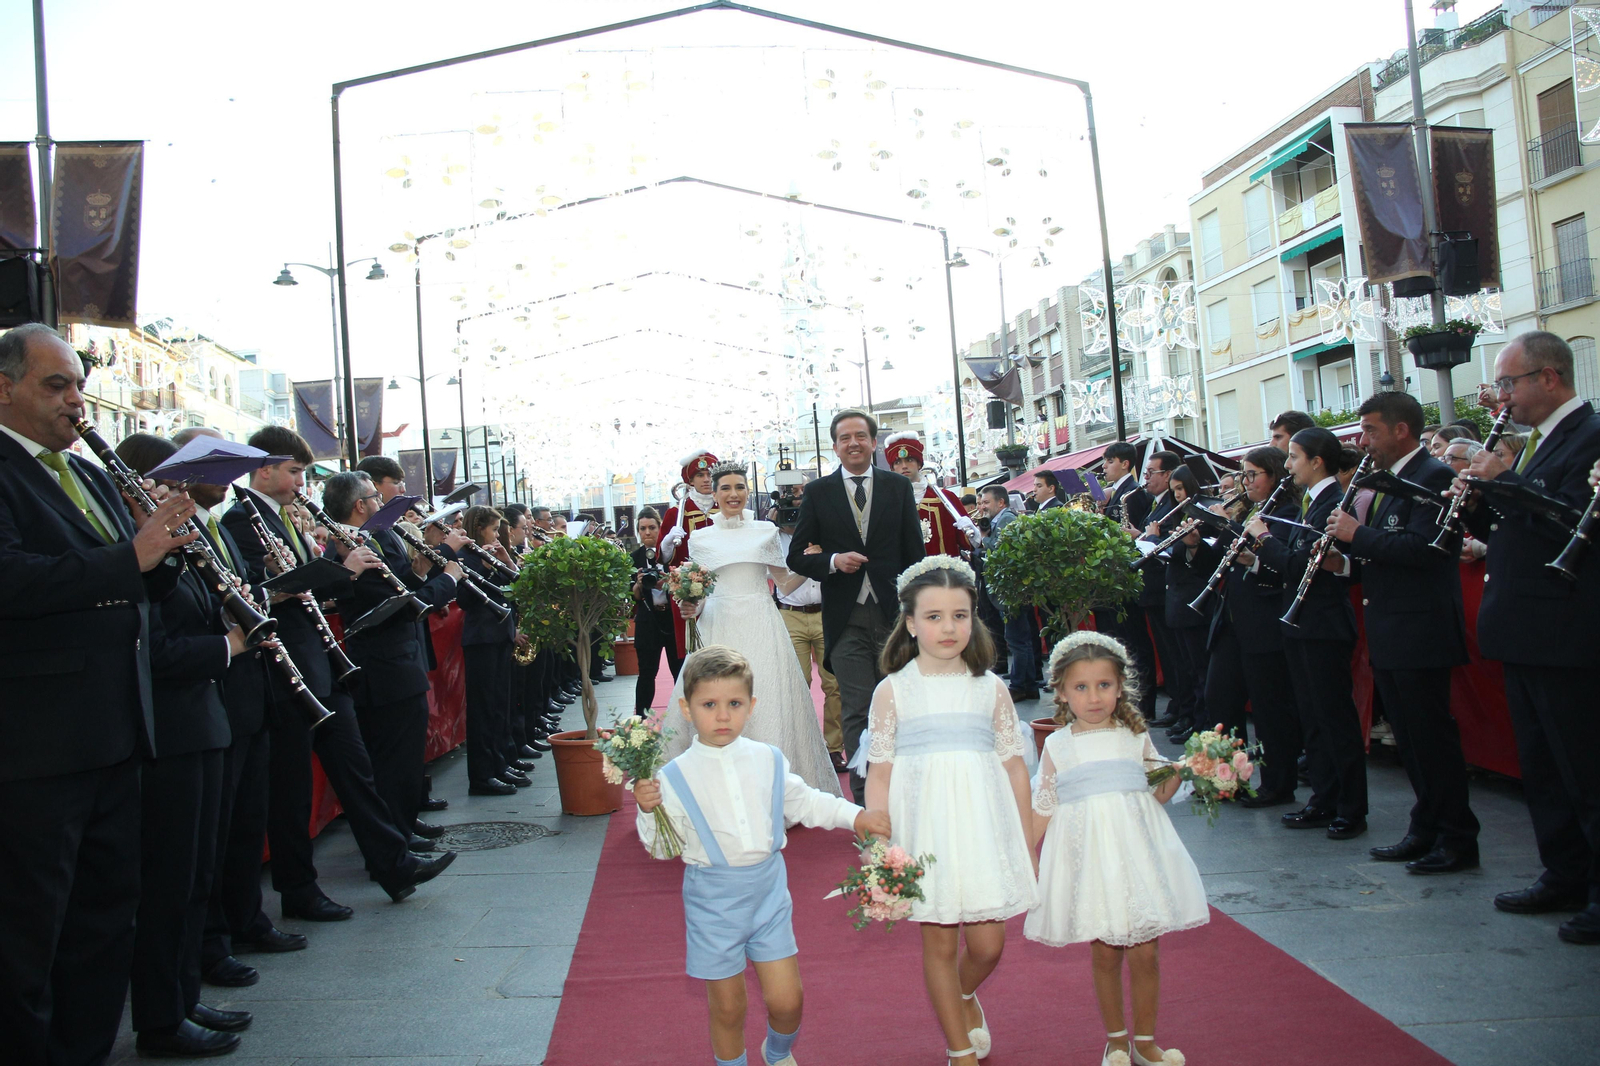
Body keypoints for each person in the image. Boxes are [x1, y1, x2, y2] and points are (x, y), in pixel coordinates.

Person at [0, 324, 202, 1064]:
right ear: (3, 388)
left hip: (118, 731)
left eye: (79, 387)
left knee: (105, 917)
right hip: (38, 745)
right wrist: (133, 555)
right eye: (56, 385)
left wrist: (167, 550)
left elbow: (137, 581)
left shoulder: (84, 472)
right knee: (30, 934)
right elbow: (12, 579)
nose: (76, 402)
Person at [223, 427, 454, 919]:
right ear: (264, 470)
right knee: (291, 790)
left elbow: (304, 587)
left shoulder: (281, 517)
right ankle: (298, 889)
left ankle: (394, 865)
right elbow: (253, 592)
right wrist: (340, 568)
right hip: (288, 669)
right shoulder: (242, 519)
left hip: (321, 665)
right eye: (294, 471)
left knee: (357, 771)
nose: (300, 482)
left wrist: (323, 570)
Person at [634, 646, 889, 1066]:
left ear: (751, 706)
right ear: (685, 708)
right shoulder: (673, 777)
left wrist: (856, 816)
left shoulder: (767, 759)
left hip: (769, 895)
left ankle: (777, 1052)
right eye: (709, 705)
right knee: (728, 1008)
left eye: (734, 704)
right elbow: (662, 847)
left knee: (788, 1001)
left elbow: (806, 802)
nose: (722, 716)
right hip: (713, 902)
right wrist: (649, 811)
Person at [862, 558, 1036, 1066]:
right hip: (925, 832)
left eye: (960, 615)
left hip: (983, 829)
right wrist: (880, 844)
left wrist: (1026, 840)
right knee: (938, 944)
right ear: (911, 623)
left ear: (973, 620)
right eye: (934, 616)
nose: (948, 627)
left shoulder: (991, 688)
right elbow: (880, 773)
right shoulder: (893, 690)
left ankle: (962, 994)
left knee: (988, 947)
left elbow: (1015, 768)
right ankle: (959, 1049)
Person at [1459, 332, 1600, 944]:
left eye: (1508, 383)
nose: (1501, 396)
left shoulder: (1590, 435)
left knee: (1583, 768)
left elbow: (1573, 517)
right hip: (1524, 630)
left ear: (1549, 377)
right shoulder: (1540, 442)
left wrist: (1506, 480)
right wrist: (1478, 499)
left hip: (1565, 630)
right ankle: (1563, 872)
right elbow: (1522, 526)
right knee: (1542, 767)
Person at [1025, 633, 1205, 1066]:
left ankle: (1145, 1041)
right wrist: (1022, 857)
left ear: (1120, 687)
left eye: (1103, 685)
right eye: (1081, 687)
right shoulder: (1058, 745)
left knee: (1146, 952)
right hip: (1091, 862)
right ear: (1062, 692)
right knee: (1105, 951)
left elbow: (1158, 792)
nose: (1093, 697)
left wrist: (1188, 769)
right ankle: (1117, 1040)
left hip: (1138, 856)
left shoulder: (1134, 736)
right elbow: (1043, 807)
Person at [168, 428, 302, 991]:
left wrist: (265, 590)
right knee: (214, 836)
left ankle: (246, 921)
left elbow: (241, 591)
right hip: (214, 692)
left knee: (246, 820)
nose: (226, 477)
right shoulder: (191, 527)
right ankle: (212, 943)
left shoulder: (214, 526)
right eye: (213, 465)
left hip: (248, 693)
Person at [1327, 391, 1478, 874]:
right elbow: (1382, 555)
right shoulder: (1392, 480)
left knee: (1432, 739)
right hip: (1392, 627)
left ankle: (1456, 836)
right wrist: (1341, 561)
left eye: (1370, 430)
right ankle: (1425, 826)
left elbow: (1424, 549)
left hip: (1421, 629)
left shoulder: (1432, 477)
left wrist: (1357, 535)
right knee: (1411, 741)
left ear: (1400, 430)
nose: (1363, 441)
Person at [662, 463, 841, 794]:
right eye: (726, 488)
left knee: (768, 697)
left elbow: (784, 584)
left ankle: (772, 786)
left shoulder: (765, 531)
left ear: (748, 491)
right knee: (717, 696)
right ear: (715, 494)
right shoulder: (700, 537)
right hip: (718, 625)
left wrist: (813, 563)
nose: (734, 494)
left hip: (762, 623)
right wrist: (691, 606)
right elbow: (701, 594)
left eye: (740, 487)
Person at [787, 409, 925, 803]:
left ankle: (905, 790)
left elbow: (915, 554)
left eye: (860, 436)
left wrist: (917, 611)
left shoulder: (898, 487)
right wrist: (833, 561)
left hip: (893, 615)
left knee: (899, 702)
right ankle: (866, 799)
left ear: (873, 442)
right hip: (844, 617)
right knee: (857, 706)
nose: (853, 443)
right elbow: (796, 555)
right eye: (845, 438)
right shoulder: (819, 492)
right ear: (835, 446)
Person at [321, 472, 463, 848]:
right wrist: (448, 577)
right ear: (360, 505)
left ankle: (404, 821)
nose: (380, 503)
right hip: (383, 667)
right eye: (375, 497)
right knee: (392, 757)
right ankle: (396, 836)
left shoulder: (374, 538)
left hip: (400, 659)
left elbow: (402, 586)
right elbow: (401, 605)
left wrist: (423, 567)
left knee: (406, 754)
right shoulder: (347, 548)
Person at [1246, 427, 1367, 841]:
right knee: (1313, 719)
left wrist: (1263, 539)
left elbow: (1300, 565)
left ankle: (1350, 806)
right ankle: (1324, 797)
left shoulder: (1333, 502)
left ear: (1317, 462)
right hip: (1302, 624)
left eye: (1294, 456)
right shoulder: (1311, 502)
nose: (1288, 464)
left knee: (1334, 719)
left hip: (1323, 625)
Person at [1201, 446, 1304, 808]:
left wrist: (1228, 526)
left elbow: (1280, 565)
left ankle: (1278, 784)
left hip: (1263, 621)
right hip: (1232, 619)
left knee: (1269, 708)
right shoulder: (1252, 510)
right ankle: (1225, 780)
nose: (1245, 482)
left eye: (1252, 475)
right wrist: (1201, 537)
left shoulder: (1286, 513)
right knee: (1219, 698)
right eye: (1243, 474)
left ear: (1274, 477)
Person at [769, 486, 845, 771]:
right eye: (790, 505)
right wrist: (771, 521)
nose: (795, 513)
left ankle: (834, 748)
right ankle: (804, 747)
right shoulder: (772, 538)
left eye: (801, 504)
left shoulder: (825, 530)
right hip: (791, 614)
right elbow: (776, 579)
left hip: (827, 613)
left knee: (834, 684)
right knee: (798, 684)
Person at [458, 504, 529, 796]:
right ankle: (482, 774)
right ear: (479, 529)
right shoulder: (465, 557)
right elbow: (464, 600)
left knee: (501, 705)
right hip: (481, 640)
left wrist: (505, 560)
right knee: (484, 709)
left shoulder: (490, 554)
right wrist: (484, 568)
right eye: (493, 530)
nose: (498, 536)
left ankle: (501, 763)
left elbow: (517, 587)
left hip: (501, 637)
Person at [1154, 463, 1213, 744]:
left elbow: (1199, 553)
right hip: (1177, 597)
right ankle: (1188, 716)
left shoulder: (1202, 512)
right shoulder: (1179, 513)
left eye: (1180, 488)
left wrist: (1160, 540)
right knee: (1185, 666)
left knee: (1199, 669)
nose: (1177, 495)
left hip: (1193, 599)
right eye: (1174, 490)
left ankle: (1199, 723)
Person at [979, 484, 1040, 704]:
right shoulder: (1001, 519)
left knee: (1017, 640)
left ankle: (1019, 685)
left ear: (1001, 502)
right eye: (981, 502)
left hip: (1012, 590)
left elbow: (1001, 550)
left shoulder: (1006, 519)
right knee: (1018, 639)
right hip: (1009, 590)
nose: (982, 507)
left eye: (986, 502)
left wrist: (983, 538)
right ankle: (1029, 685)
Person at [1135, 451, 1182, 731]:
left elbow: (1166, 544)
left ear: (1168, 475)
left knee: (1175, 654)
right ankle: (1178, 706)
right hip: (1152, 588)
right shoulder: (1156, 504)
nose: (1147, 477)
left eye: (1152, 472)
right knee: (1166, 651)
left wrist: (1149, 538)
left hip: (1163, 587)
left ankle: (1181, 706)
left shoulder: (1170, 505)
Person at [659, 448, 720, 656]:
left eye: (710, 474)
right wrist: (667, 543)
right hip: (690, 588)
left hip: (723, 586)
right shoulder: (676, 513)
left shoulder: (726, 508)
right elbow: (664, 558)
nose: (706, 479)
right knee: (694, 649)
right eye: (700, 475)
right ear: (690, 480)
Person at [884, 430, 981, 556]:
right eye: (898, 462)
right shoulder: (886, 501)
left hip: (943, 568)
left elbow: (970, 543)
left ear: (919, 464)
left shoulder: (946, 498)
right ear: (892, 468)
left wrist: (971, 531)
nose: (904, 466)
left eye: (909, 460)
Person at [631, 506, 683, 712]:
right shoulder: (633, 558)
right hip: (648, 621)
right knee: (646, 672)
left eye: (652, 527)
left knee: (679, 671)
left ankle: (683, 717)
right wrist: (639, 584)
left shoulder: (673, 554)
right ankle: (640, 718)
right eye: (642, 528)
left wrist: (668, 583)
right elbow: (633, 597)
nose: (647, 533)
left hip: (672, 619)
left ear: (660, 528)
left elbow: (684, 586)